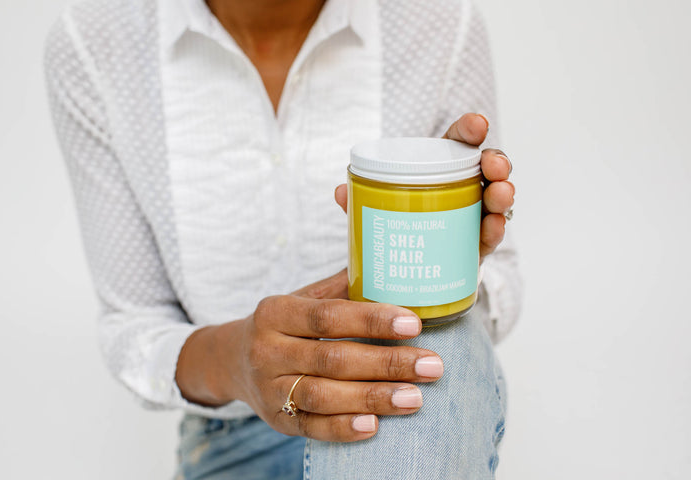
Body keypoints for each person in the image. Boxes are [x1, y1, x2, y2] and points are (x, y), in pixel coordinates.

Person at [45, 0, 521, 478]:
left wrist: (448, 265)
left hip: (407, 407)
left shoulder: (438, 23)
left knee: (436, 342)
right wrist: (236, 360)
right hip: (234, 434)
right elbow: (134, 326)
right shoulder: (96, 43)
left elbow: (501, 281)